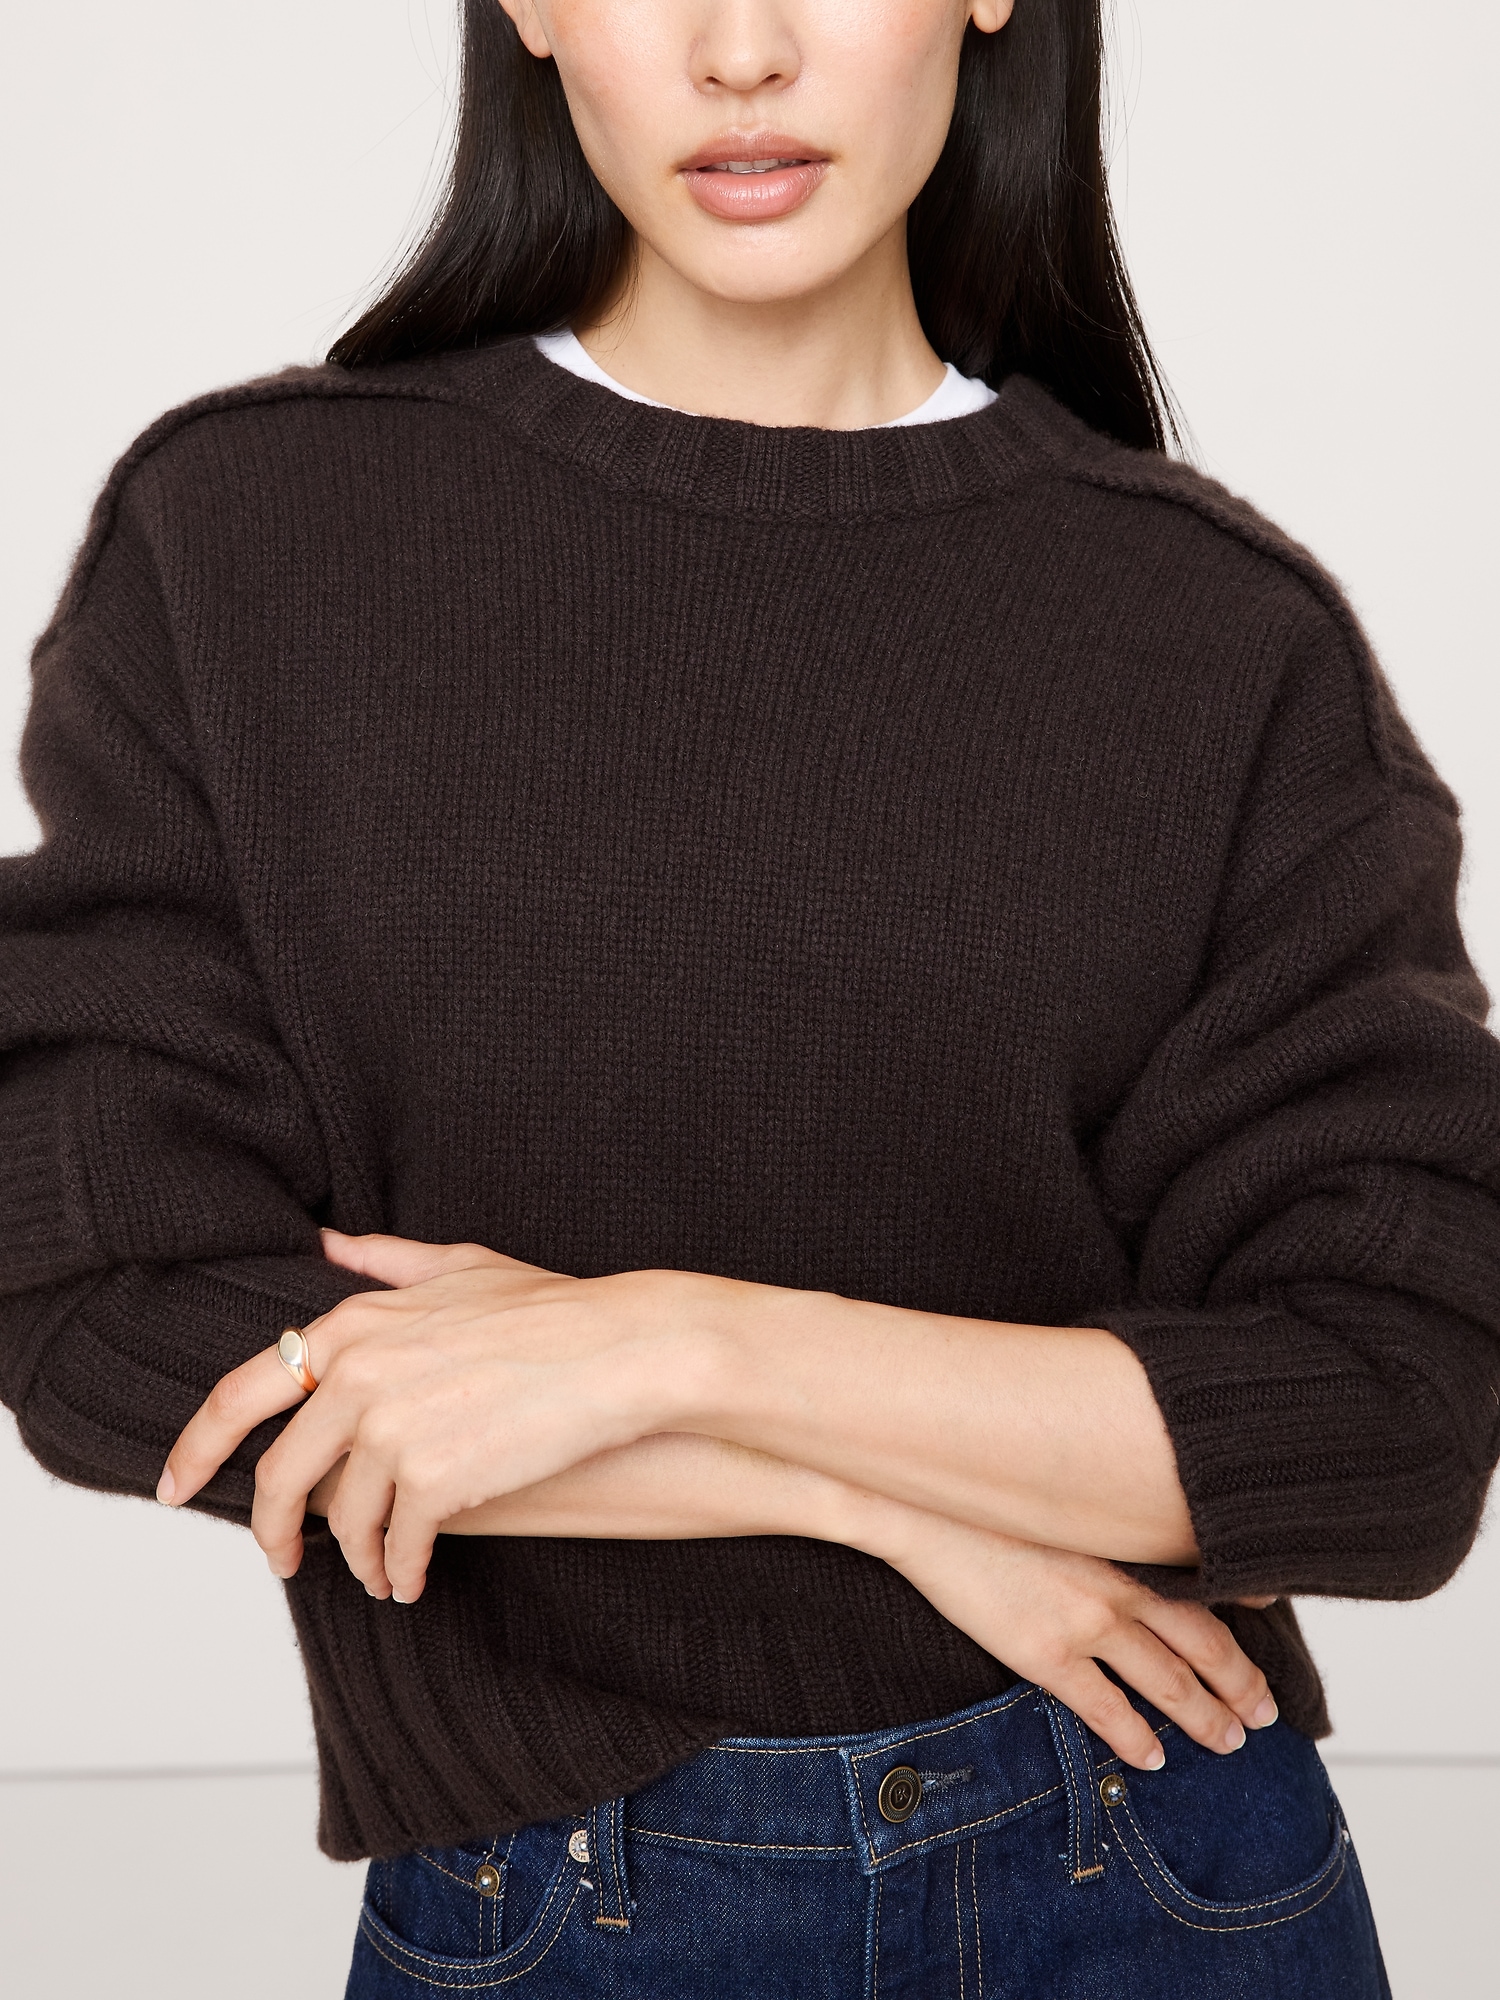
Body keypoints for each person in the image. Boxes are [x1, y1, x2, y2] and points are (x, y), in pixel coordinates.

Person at [3, 0, 1497, 1991]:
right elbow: (107, 1307)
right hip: (547, 1897)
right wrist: (875, 1511)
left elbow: (1391, 1417)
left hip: (1152, 1858)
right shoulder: (245, 543)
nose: (741, 52)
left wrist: (683, 1343)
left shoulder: (1221, 636)